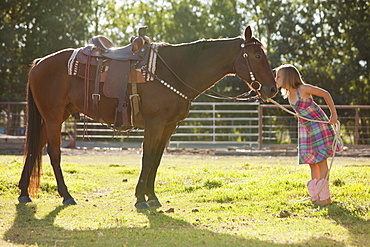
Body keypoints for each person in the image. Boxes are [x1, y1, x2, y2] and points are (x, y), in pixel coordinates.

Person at [274, 64, 342, 206]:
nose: (276, 78)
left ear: (287, 77)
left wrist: (333, 114)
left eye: (278, 76)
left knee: (321, 161)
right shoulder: (288, 94)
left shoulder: (302, 89)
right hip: (306, 129)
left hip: (318, 126)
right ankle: (316, 197)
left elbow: (325, 94)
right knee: (311, 162)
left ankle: (325, 198)